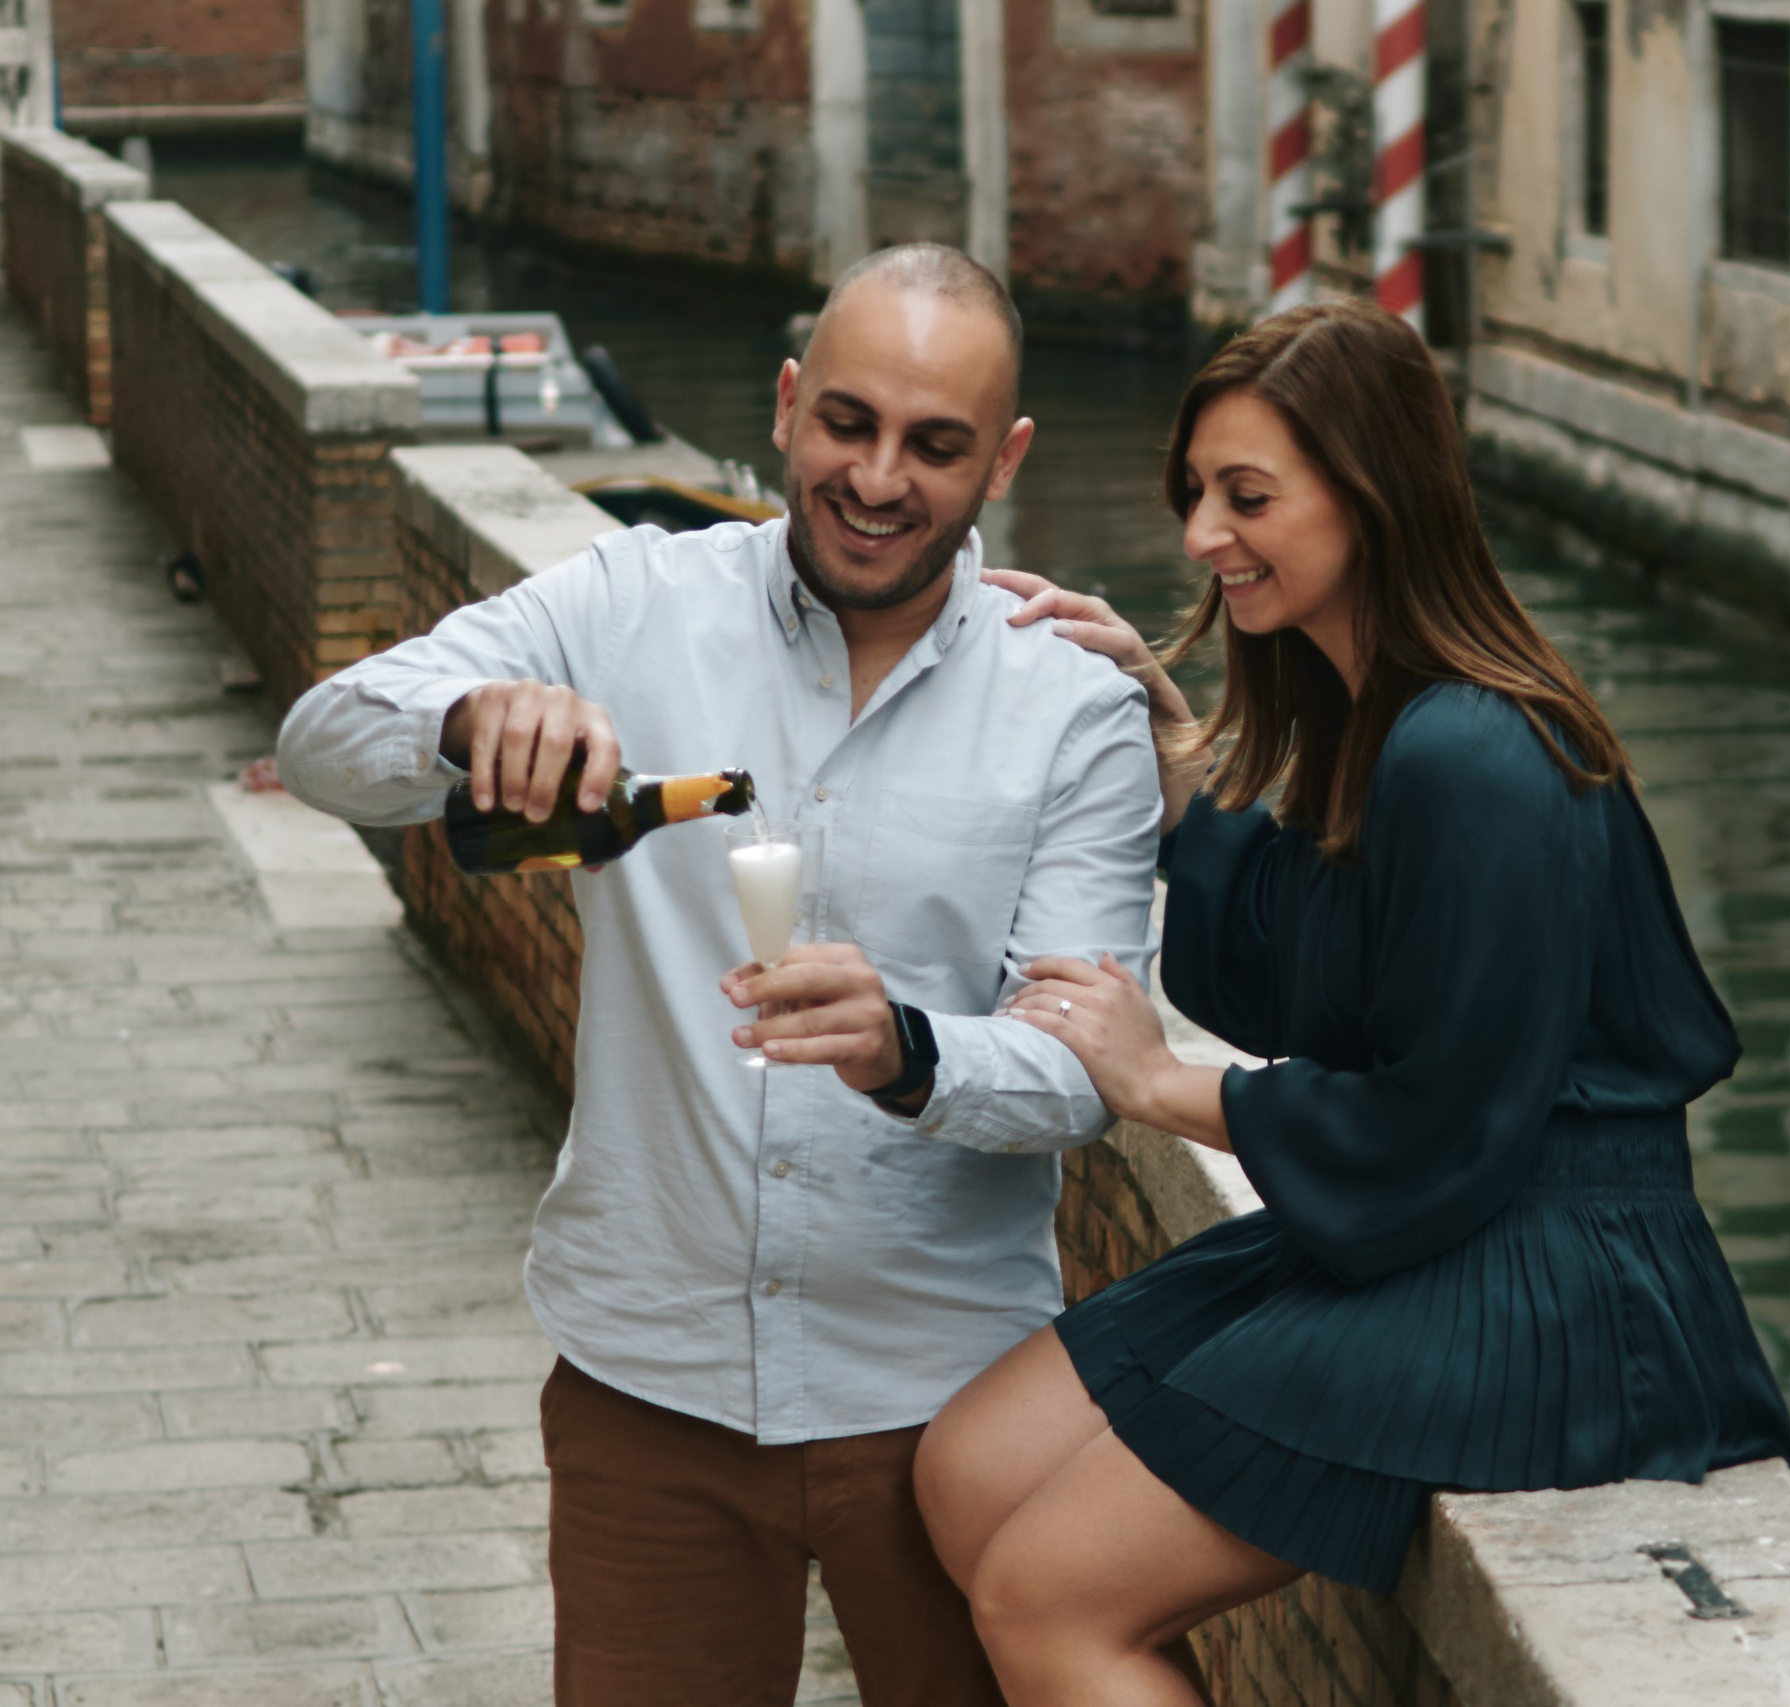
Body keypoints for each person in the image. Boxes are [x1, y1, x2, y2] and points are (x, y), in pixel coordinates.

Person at [275, 245, 1164, 1707]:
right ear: (787, 403)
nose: (877, 479)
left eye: (934, 446)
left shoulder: (1073, 707)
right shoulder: (634, 598)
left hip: (948, 1406)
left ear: (1002, 459)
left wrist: (912, 1052)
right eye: (847, 424)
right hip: (649, 1377)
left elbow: (1083, 1071)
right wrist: (467, 716)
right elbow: (325, 739)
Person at [899, 300, 1790, 1706]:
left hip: (1555, 1283)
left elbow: (1434, 1116)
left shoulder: (1473, 751)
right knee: (967, 1475)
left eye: (1248, 497)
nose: (1204, 536)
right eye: (1196, 495)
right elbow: (1296, 984)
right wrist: (1168, 733)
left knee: (1046, 1596)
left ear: (1373, 496)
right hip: (1448, 1229)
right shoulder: (1371, 724)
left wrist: (1156, 1086)